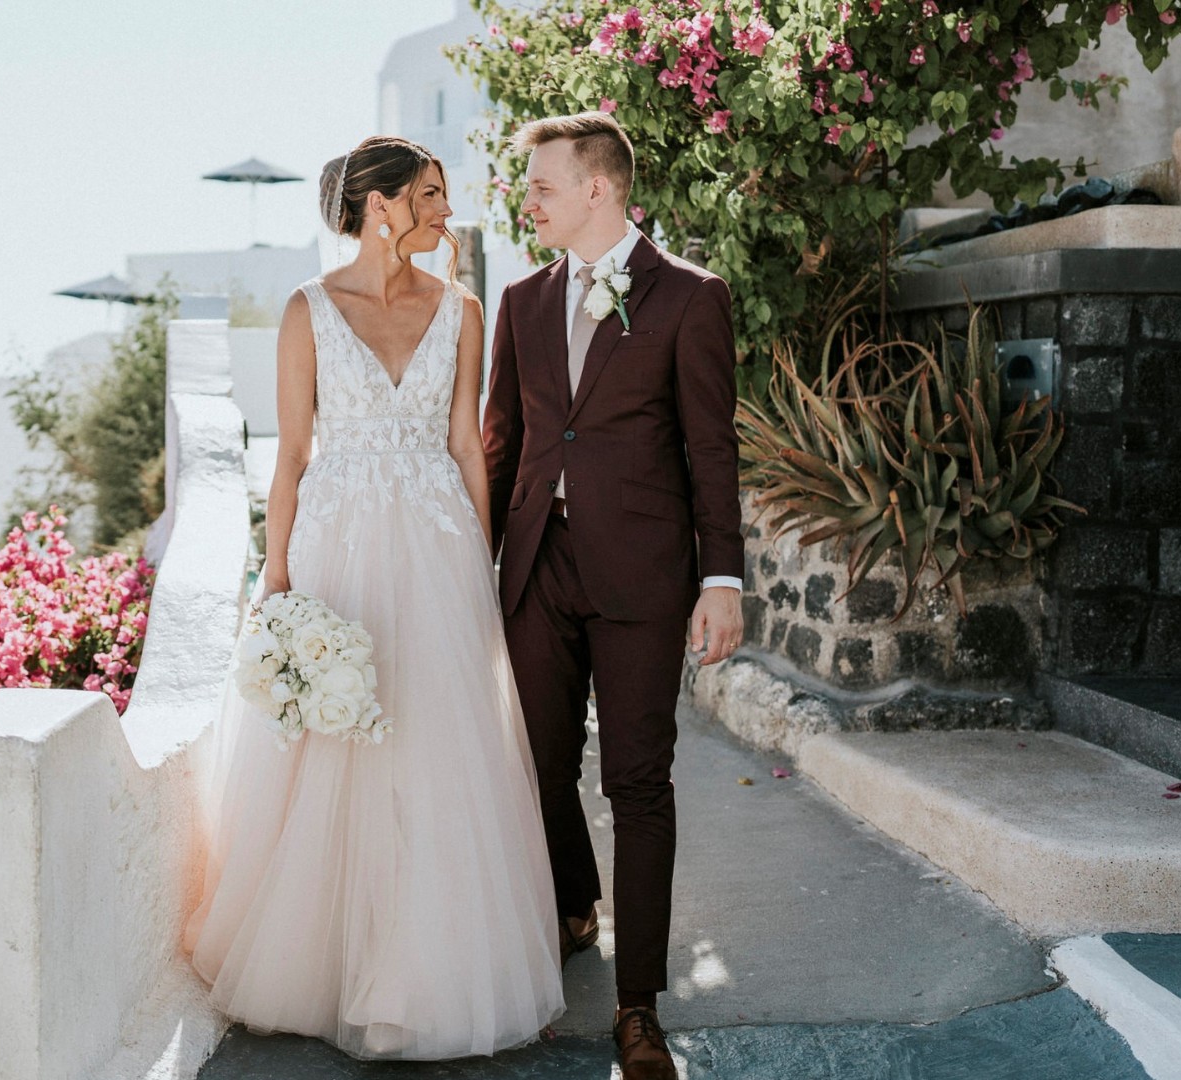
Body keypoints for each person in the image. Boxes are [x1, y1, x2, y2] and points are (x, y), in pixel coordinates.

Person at [182, 135, 566, 1060]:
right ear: (380, 206)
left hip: (438, 547)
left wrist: (481, 561)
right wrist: (276, 578)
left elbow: (470, 446)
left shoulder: (464, 309)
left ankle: (428, 970)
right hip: (338, 545)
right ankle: (328, 964)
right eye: (430, 196)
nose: (444, 211)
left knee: (437, 744)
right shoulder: (306, 310)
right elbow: (292, 456)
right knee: (336, 746)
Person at [482, 111, 747, 1080]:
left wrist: (722, 577)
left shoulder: (689, 299)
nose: (531, 199)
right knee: (537, 767)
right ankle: (571, 902)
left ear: (600, 188)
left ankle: (637, 1008)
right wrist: (473, 567)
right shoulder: (517, 301)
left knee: (638, 783)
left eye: (543, 184)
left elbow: (710, 448)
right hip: (535, 570)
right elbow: (500, 441)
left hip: (641, 577)